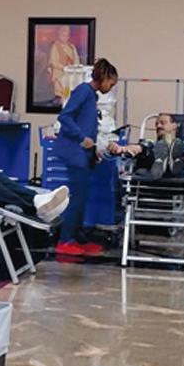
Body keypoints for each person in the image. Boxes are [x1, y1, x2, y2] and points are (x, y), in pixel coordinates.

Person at [54, 58, 123, 257]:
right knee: (76, 198)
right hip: (74, 153)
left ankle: (76, 238)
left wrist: (94, 150)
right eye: (111, 83)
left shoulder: (92, 96)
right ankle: (65, 240)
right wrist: (81, 138)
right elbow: (64, 117)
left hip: (84, 154)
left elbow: (88, 125)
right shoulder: (83, 91)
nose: (111, 88)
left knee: (82, 197)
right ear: (104, 78)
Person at [131, 113, 184, 178]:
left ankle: (171, 158)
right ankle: (165, 160)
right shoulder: (150, 143)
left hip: (180, 178)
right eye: (156, 124)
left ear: (175, 125)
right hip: (152, 177)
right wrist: (128, 149)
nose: (158, 126)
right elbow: (138, 148)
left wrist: (183, 154)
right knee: (148, 150)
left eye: (162, 123)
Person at [48, 26, 80, 105]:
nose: (65, 37)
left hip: (69, 74)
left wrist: (74, 67)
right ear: (59, 35)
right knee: (60, 92)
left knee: (67, 91)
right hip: (59, 73)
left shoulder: (71, 47)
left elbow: (76, 60)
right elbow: (53, 61)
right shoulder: (55, 46)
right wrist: (64, 67)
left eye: (66, 35)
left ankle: (66, 101)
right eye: (63, 35)